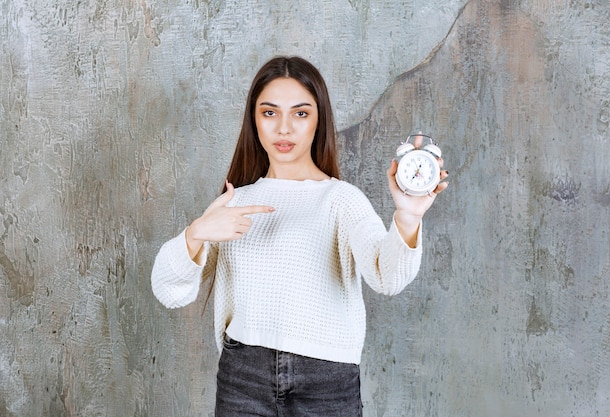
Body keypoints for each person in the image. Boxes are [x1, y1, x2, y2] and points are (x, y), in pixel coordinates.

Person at [151, 56, 448, 417]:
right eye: (270, 113)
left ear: (318, 120)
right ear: (254, 121)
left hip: (327, 382)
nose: (285, 129)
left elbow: (387, 277)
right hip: (244, 377)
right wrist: (195, 234)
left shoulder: (342, 200)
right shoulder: (235, 202)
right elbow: (168, 289)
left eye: (301, 113)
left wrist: (408, 216)